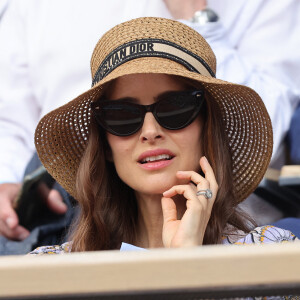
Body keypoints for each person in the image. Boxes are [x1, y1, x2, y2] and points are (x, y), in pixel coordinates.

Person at [1, 0, 300, 243]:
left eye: (175, 109)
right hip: (54, 215)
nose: (150, 131)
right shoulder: (53, 269)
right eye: (121, 116)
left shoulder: (274, 248)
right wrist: (6, 177)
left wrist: (193, 12)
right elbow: (9, 120)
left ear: (207, 126)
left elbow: (264, 123)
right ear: (103, 142)